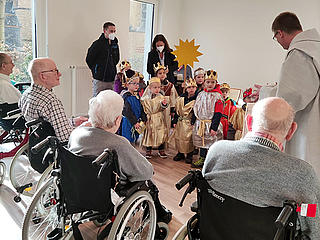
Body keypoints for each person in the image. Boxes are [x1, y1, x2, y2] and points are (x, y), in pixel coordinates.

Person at [203, 97, 320, 239]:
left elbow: (206, 193)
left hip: (215, 232)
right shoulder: (303, 174)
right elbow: (313, 227)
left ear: (249, 122)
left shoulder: (217, 150)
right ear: (291, 131)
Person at [68, 90, 172, 224]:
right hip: (108, 195)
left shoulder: (76, 134)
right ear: (118, 120)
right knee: (148, 183)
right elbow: (146, 171)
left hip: (78, 189)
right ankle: (161, 215)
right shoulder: (118, 144)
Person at [271, 12, 320, 178]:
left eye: (275, 37)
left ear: (280, 33)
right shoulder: (315, 47)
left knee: (305, 176)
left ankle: (305, 206)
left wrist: (266, 94)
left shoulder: (300, 53)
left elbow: (291, 97)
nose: (277, 41)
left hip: (309, 125)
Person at [19, 57, 87, 143]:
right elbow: (66, 137)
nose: (60, 74)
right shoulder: (50, 101)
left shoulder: (26, 94)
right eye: (55, 71)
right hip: (59, 147)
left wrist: (72, 122)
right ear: (43, 76)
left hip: (40, 142)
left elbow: (48, 122)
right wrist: (85, 127)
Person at [191, 70, 223, 168]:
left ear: (216, 83)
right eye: (208, 82)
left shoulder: (218, 97)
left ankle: (213, 161)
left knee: (212, 143)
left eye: (212, 82)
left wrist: (214, 127)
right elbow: (195, 107)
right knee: (203, 142)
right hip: (200, 123)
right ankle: (202, 158)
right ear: (204, 82)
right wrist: (193, 121)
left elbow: (218, 113)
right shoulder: (201, 94)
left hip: (211, 123)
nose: (210, 84)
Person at [86, 22, 120, 96]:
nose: (113, 33)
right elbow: (89, 59)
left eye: (114, 31)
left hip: (111, 79)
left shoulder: (115, 44)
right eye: (111, 31)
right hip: (100, 79)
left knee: (109, 100)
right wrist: (96, 71)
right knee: (97, 100)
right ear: (105, 31)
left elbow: (116, 59)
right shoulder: (97, 44)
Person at [170, 78, 197, 163]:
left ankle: (189, 155)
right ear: (186, 88)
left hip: (189, 122)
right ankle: (180, 153)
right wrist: (174, 121)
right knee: (179, 137)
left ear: (196, 88)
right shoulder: (181, 98)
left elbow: (196, 113)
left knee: (189, 139)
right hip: (180, 121)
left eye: (193, 87)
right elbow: (177, 110)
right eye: (189, 87)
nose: (191, 89)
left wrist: (193, 122)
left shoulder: (197, 99)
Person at [141, 77, 169, 159]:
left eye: (159, 87)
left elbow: (163, 107)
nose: (157, 89)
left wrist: (164, 104)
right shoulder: (145, 98)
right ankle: (148, 150)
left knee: (161, 133)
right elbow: (143, 109)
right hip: (149, 118)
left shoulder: (161, 97)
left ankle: (161, 149)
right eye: (155, 87)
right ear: (150, 88)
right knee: (149, 134)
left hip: (158, 117)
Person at [121, 70, 147, 144]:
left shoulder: (137, 95)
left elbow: (141, 108)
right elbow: (127, 111)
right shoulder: (126, 97)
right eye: (134, 83)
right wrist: (134, 122)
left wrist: (144, 118)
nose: (137, 86)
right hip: (129, 122)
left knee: (135, 138)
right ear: (127, 85)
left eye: (138, 83)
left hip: (137, 122)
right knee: (128, 140)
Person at [0, 53, 21, 131]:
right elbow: (21, 104)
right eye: (11, 62)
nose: (13, 65)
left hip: (5, 120)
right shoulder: (4, 85)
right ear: (3, 66)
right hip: (12, 120)